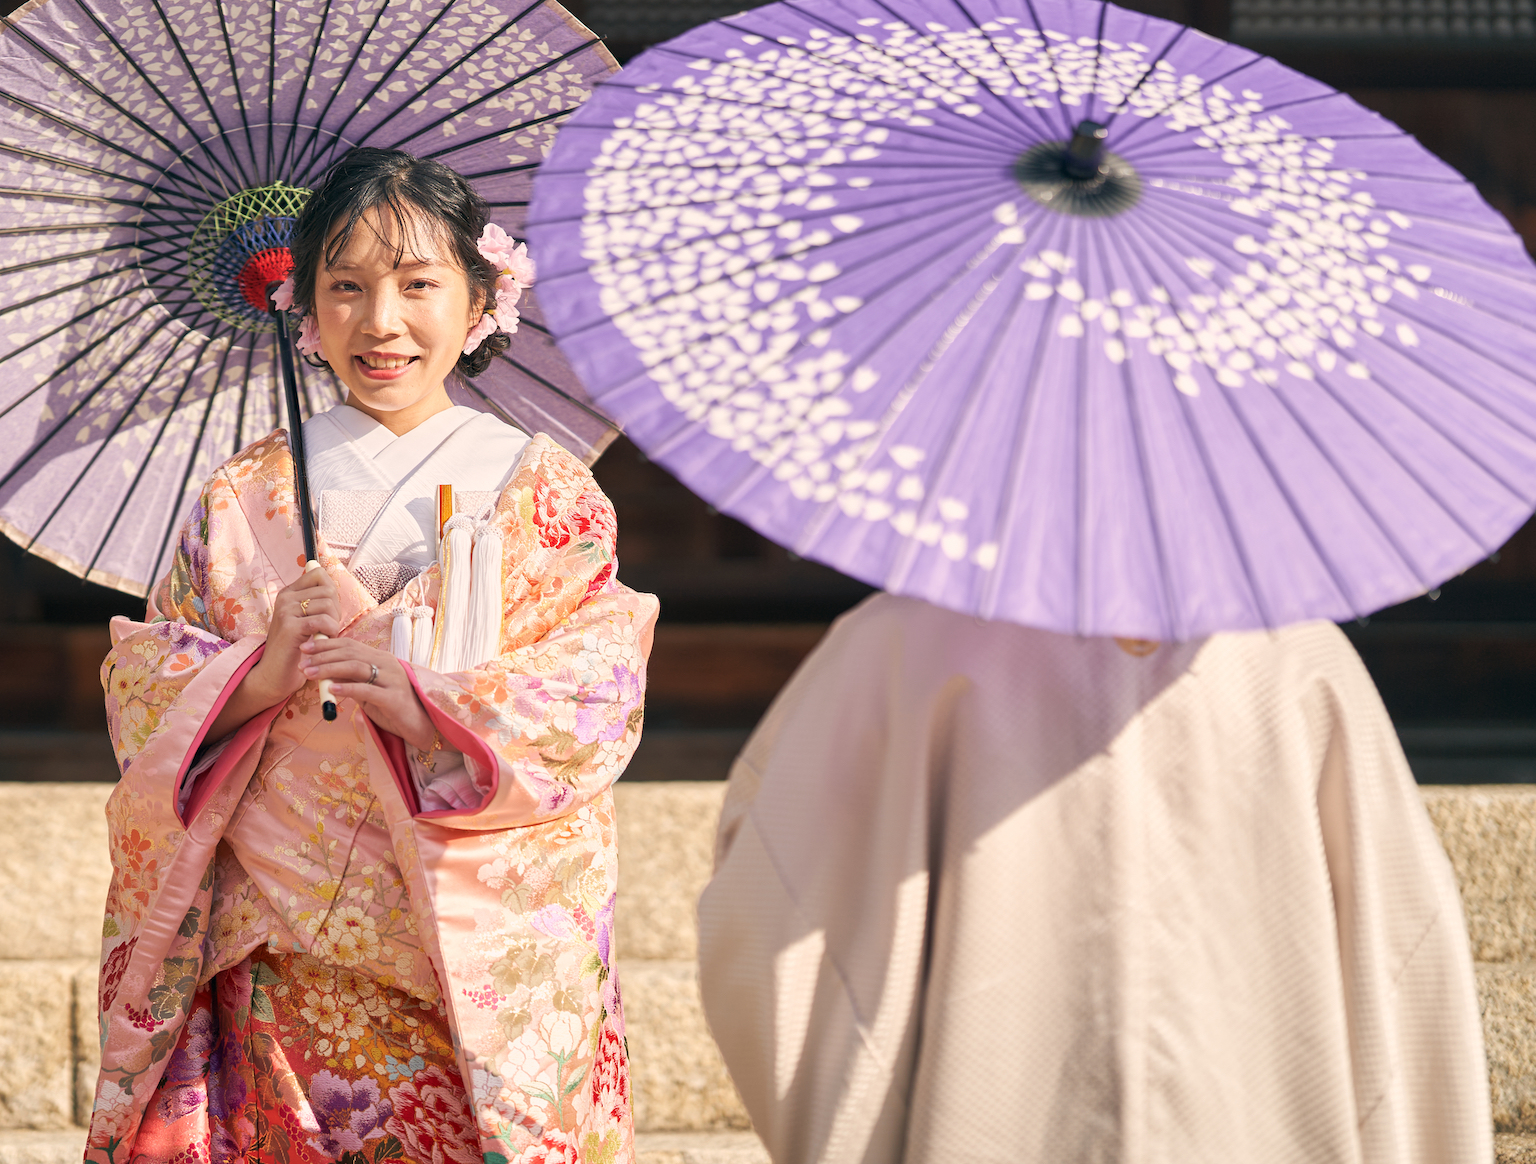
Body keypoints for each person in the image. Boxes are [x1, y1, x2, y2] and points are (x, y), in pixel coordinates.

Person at [85, 148, 655, 1164]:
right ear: (302, 305)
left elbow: (593, 682)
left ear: (482, 298)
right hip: (274, 907)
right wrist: (258, 672)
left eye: (417, 284)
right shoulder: (244, 492)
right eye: (344, 286)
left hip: (456, 907)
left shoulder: (540, 487)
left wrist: (426, 699)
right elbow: (143, 674)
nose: (380, 321)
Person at [697, 592, 1491, 1164]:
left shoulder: (897, 641)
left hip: (976, 1117)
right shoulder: (1297, 653)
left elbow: (769, 907)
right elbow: (1405, 942)